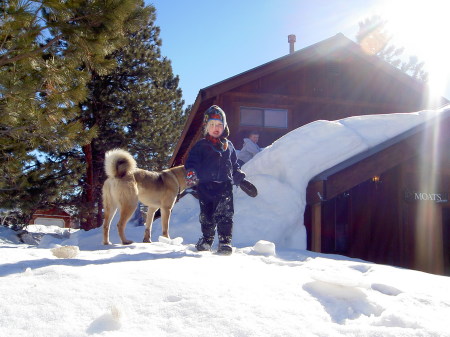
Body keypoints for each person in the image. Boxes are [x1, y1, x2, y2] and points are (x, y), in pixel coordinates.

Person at [184, 105, 246, 255]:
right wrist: (191, 173)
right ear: (206, 127)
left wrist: (239, 176)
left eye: (219, 125)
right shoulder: (201, 146)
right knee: (207, 216)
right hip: (206, 187)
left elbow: (234, 165)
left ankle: (225, 242)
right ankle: (207, 240)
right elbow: (191, 162)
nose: (216, 128)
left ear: (224, 127)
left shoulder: (228, 146)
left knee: (226, 215)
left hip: (225, 186)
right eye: (212, 125)